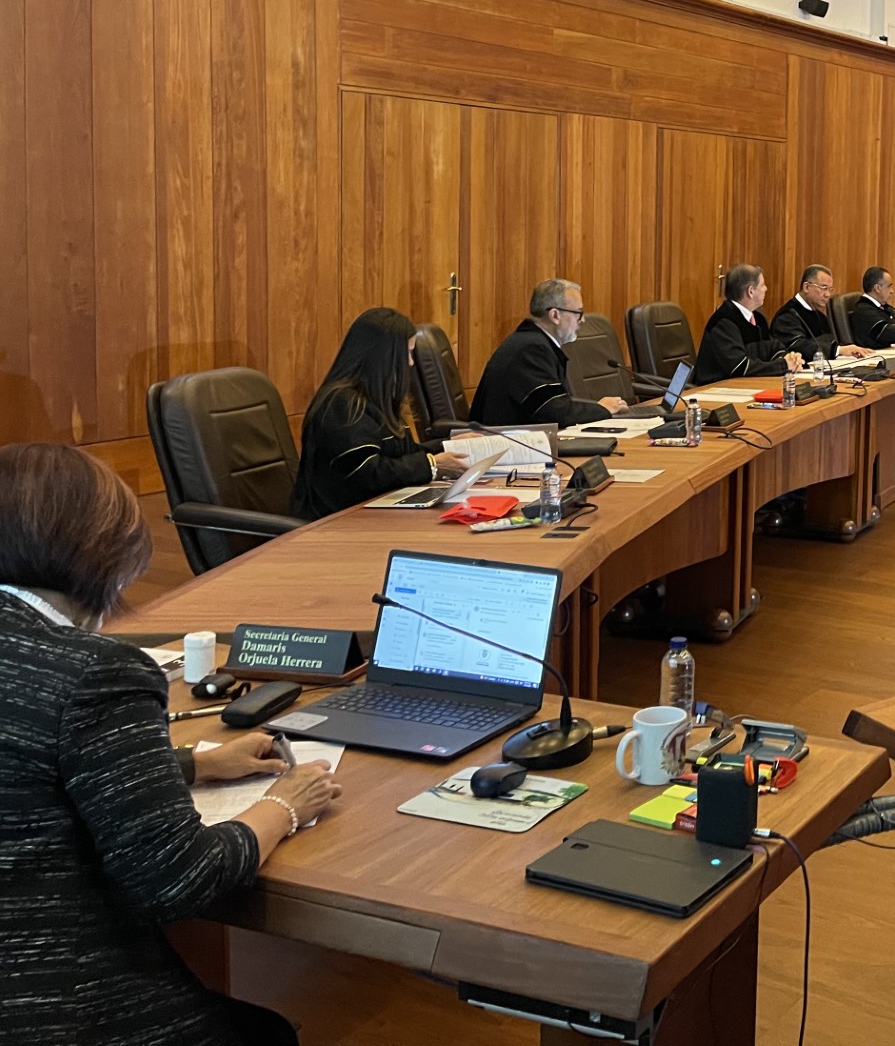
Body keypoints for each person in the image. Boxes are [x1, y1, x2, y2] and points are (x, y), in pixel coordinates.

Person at [0, 442, 343, 1045]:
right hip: (51, 1001)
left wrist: (189, 764)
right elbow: (180, 880)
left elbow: (23, 763)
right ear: (104, 554)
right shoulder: (94, 672)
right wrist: (286, 804)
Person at [290, 307, 468, 518]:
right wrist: (431, 465)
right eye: (408, 353)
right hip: (337, 523)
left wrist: (449, 445)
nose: (411, 363)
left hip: (372, 513)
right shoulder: (343, 405)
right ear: (385, 357)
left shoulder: (376, 398)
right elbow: (367, 473)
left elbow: (400, 454)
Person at [470, 279, 627, 427]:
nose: (582, 320)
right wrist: (602, 409)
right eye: (578, 313)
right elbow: (555, 412)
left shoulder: (533, 341)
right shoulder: (531, 350)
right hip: (508, 445)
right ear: (555, 315)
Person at [694, 264, 806, 383]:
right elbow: (739, 367)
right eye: (762, 285)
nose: (766, 289)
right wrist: (782, 366)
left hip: (748, 385)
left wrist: (790, 359)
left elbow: (772, 348)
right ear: (751, 291)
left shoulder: (757, 317)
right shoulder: (724, 322)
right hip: (717, 389)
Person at [770, 265, 873, 362]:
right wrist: (839, 350)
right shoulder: (787, 316)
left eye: (830, 289)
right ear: (806, 287)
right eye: (823, 288)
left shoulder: (818, 314)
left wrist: (848, 350)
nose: (827, 294)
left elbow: (829, 341)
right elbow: (799, 347)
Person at [848, 267, 895, 348]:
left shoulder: (886, 308)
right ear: (877, 288)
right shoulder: (863, 311)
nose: (892, 291)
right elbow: (892, 335)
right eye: (889, 286)